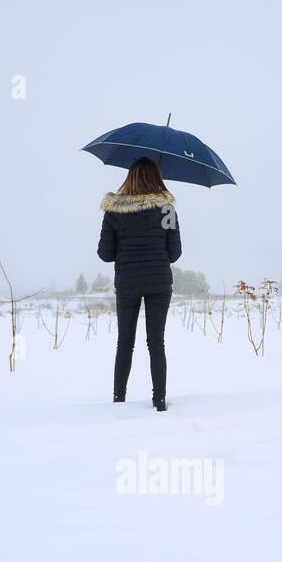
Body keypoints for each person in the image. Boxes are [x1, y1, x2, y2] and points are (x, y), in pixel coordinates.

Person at [97, 158, 182, 410]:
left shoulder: (114, 211)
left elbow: (105, 254)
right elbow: (174, 253)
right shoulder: (167, 209)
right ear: (156, 177)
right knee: (156, 342)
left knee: (125, 342)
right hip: (159, 281)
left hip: (127, 282)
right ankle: (160, 401)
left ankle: (118, 400)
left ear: (129, 177)